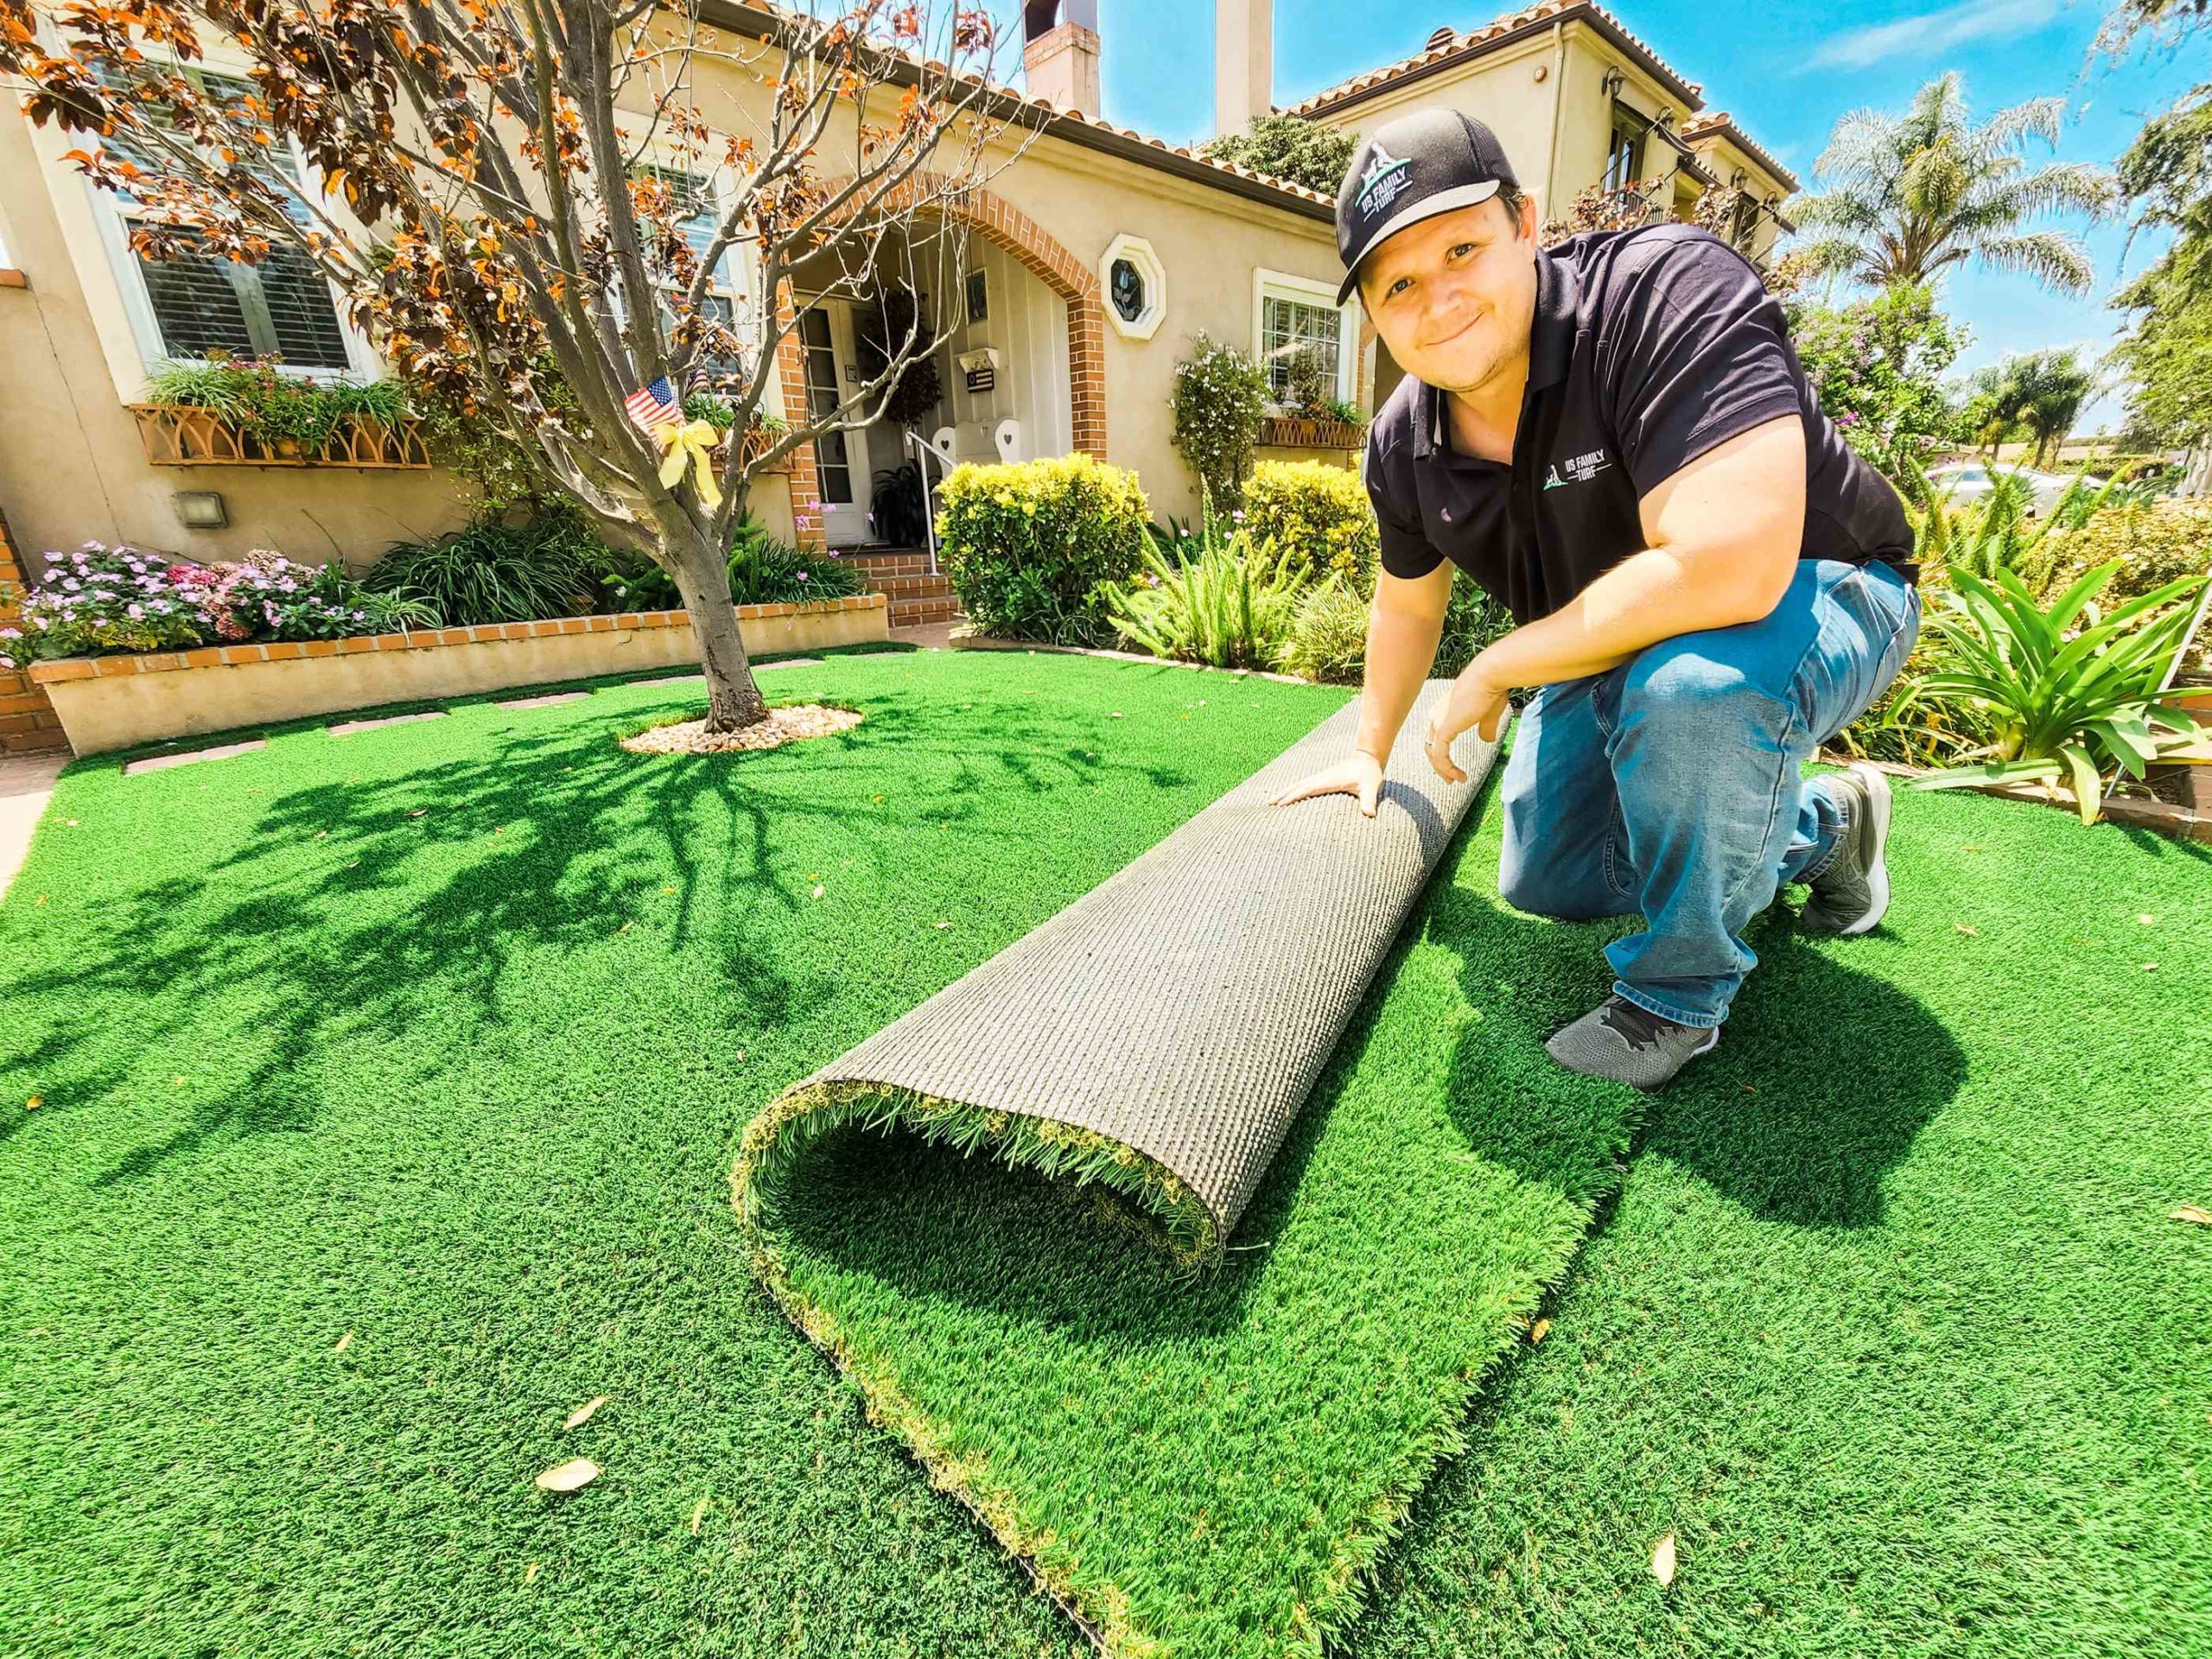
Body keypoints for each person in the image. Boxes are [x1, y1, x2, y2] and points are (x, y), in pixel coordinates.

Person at [1268, 108, 1923, 1090]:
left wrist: (1500, 663)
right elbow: (1406, 604)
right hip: (1626, 638)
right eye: (1399, 282)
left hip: (1827, 584)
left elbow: (1729, 567)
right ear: (1371, 311)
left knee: (1690, 693)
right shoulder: (1404, 443)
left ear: (1526, 225)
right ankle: (1825, 829)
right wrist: (1368, 753)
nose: (1438, 299)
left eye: (1461, 249)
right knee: (1551, 874)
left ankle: (1676, 997)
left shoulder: (1663, 291)